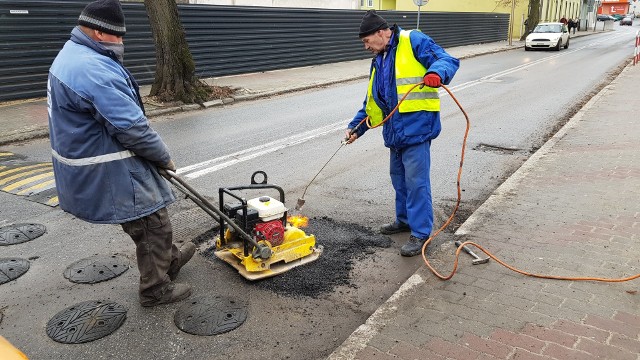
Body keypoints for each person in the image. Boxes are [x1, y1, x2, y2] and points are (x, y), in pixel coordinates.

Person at [47, 0, 195, 307]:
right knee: (151, 222)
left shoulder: (74, 54)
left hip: (96, 156)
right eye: (120, 36)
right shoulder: (90, 68)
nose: (123, 41)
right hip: (106, 165)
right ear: (101, 33)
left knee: (152, 219)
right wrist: (162, 156)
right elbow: (131, 127)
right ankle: (155, 288)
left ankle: (170, 260)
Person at [344, 10, 459, 257]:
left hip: (417, 128)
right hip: (395, 132)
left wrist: (436, 73)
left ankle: (420, 233)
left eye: (367, 41)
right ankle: (404, 220)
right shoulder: (379, 60)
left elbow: (446, 59)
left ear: (382, 32)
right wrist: (356, 128)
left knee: (416, 182)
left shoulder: (412, 40)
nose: (366, 47)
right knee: (399, 179)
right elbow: (373, 103)